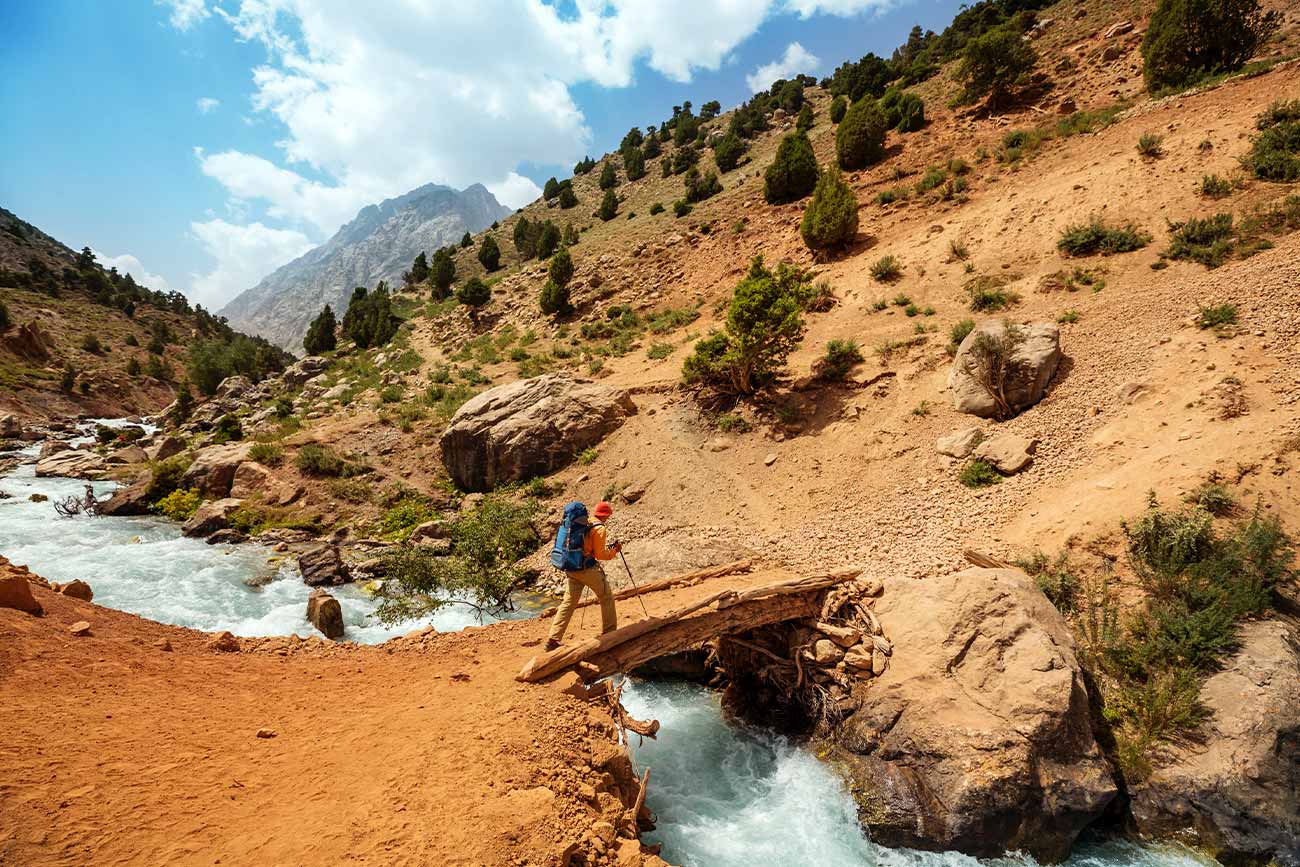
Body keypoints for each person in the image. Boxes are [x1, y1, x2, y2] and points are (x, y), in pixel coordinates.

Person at [545, 501, 620, 650]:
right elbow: (600, 554)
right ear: (606, 515)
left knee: (568, 602)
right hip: (586, 570)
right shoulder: (599, 529)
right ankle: (610, 633)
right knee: (606, 597)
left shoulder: (585, 522)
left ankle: (553, 639)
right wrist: (614, 551)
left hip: (572, 567)